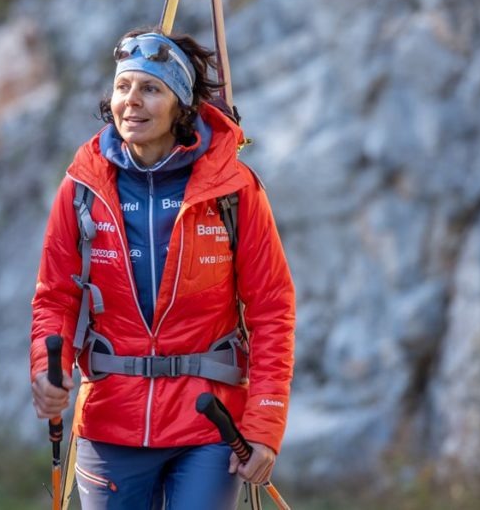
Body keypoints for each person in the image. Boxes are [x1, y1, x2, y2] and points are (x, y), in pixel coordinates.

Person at [30, 29, 296, 509]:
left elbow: (272, 309)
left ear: (181, 106)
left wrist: (265, 422)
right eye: (123, 87)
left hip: (209, 421)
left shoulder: (233, 189)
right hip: (111, 420)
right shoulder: (82, 187)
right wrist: (47, 370)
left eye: (150, 88)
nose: (131, 101)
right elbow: (56, 297)